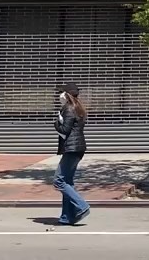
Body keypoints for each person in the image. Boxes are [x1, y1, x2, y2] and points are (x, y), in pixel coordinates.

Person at [53, 83, 90, 225]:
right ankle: (67, 217)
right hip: (77, 148)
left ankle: (82, 206)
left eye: (61, 92)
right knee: (67, 182)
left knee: (59, 181)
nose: (59, 95)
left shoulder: (68, 109)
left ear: (66, 94)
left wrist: (56, 123)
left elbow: (64, 130)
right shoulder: (78, 107)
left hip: (71, 148)